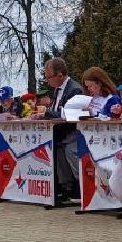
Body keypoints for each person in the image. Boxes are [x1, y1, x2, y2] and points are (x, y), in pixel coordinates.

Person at [41, 58, 83, 201]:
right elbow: (56, 111)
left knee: (67, 150)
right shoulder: (57, 89)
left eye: (49, 77)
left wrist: (46, 113)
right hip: (59, 132)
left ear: (60, 75)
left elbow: (69, 115)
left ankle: (75, 186)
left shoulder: (74, 89)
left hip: (71, 132)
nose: (48, 81)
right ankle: (63, 186)